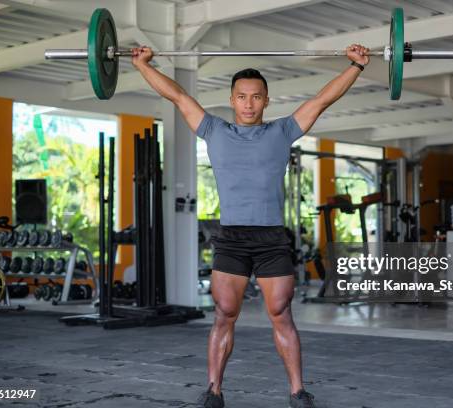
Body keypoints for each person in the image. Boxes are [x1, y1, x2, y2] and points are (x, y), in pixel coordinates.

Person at [132, 44, 370, 408]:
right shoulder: (213, 129)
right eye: (242, 97)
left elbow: (322, 100)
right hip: (231, 237)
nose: (248, 103)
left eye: (256, 97)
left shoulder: (283, 131)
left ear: (266, 100)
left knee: (281, 312)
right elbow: (178, 95)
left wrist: (355, 66)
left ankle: (297, 391)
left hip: (271, 236)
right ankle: (213, 391)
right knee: (224, 313)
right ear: (231, 99)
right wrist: (142, 64)